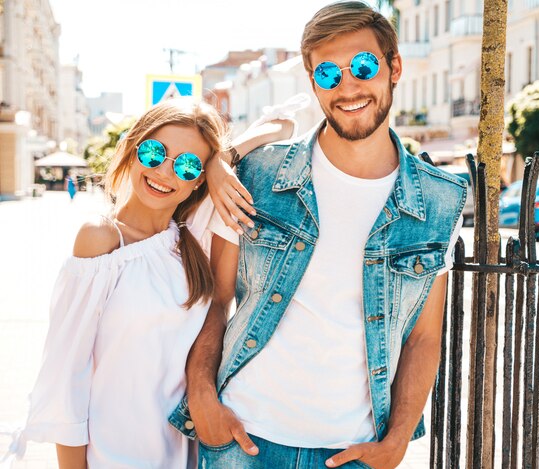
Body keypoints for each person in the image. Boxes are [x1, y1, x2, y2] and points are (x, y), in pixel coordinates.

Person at [170, 2, 467, 468]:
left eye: (363, 67)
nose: (347, 87)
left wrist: (397, 441)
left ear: (394, 68)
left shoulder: (439, 200)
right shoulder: (257, 175)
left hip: (355, 450)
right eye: (328, 74)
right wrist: (203, 395)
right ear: (313, 84)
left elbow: (425, 337)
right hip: (244, 438)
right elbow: (216, 298)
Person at [6, 97, 294, 469]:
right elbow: (66, 381)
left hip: (180, 457)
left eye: (188, 165)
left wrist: (223, 160)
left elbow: (285, 121)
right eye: (156, 152)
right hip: (109, 458)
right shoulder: (102, 240)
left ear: (198, 182)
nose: (165, 172)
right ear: (132, 148)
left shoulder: (192, 241)